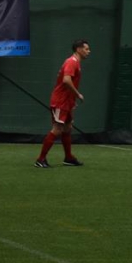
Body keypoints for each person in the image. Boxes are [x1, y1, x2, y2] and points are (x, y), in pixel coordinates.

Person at [36, 39, 90, 168]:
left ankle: (68, 158)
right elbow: (66, 80)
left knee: (68, 128)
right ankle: (40, 159)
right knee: (57, 129)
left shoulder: (76, 63)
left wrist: (72, 101)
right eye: (86, 49)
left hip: (67, 102)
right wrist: (77, 94)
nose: (89, 51)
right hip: (60, 101)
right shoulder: (72, 62)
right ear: (79, 49)